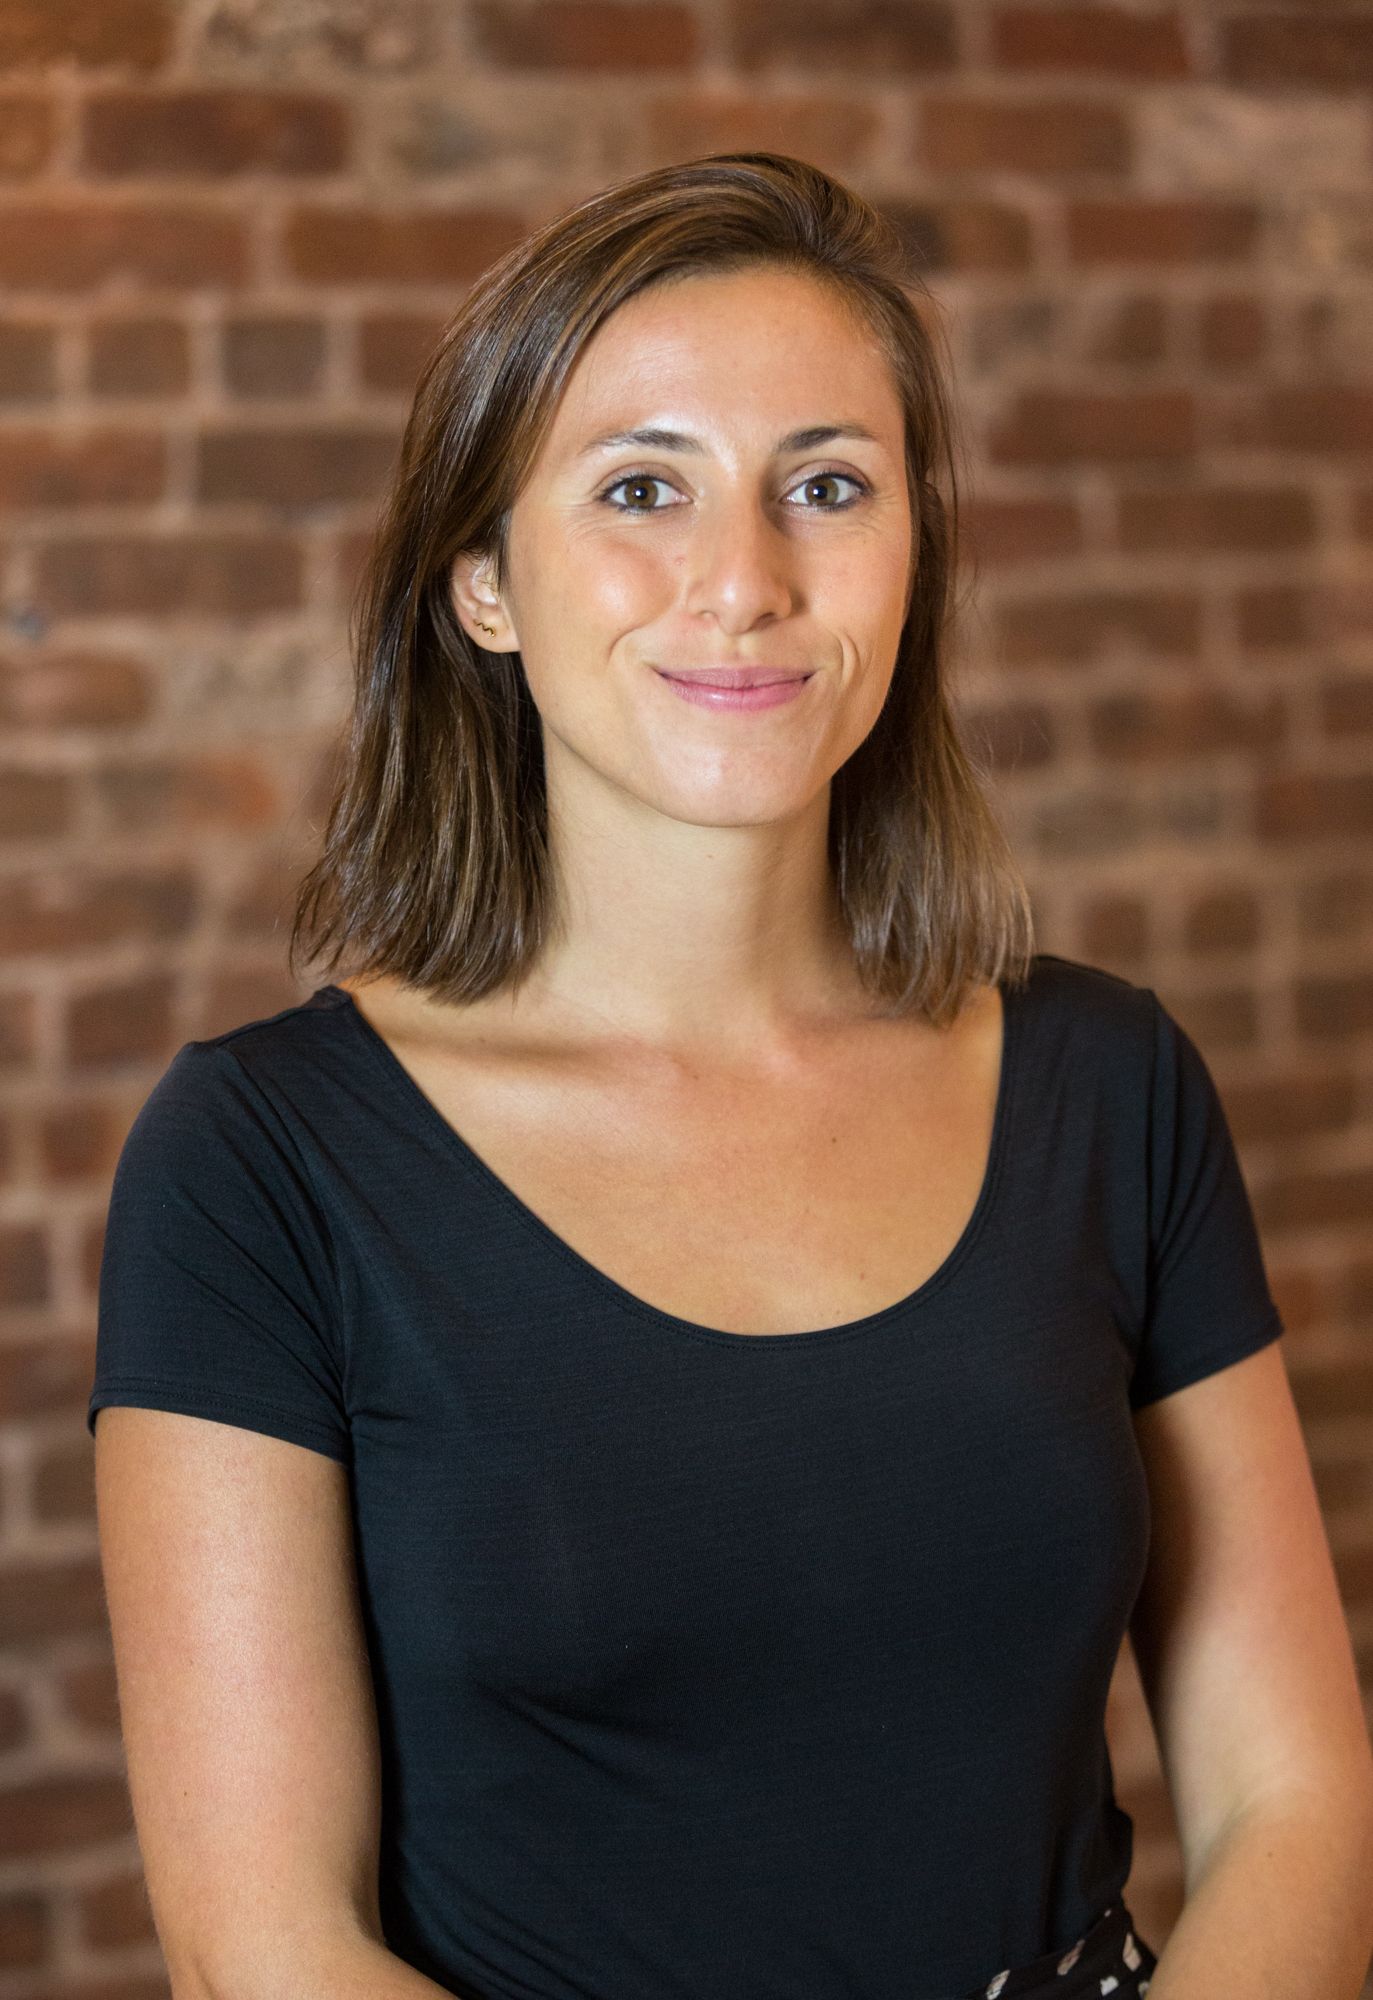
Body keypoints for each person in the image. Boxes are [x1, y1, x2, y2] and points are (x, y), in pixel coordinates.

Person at [88, 153, 1370, 2000]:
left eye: (826, 487)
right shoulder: (267, 1161)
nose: (747, 581)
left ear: (910, 554)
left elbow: (1292, 1803)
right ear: (482, 585)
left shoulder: (1112, 1082)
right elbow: (262, 1947)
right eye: (639, 489)